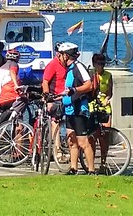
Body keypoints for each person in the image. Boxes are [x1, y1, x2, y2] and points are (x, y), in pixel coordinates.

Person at [59, 41, 95, 175]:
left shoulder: (78, 67)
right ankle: (73, 168)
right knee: (71, 140)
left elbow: (89, 85)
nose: (59, 57)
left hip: (79, 108)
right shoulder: (69, 69)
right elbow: (68, 90)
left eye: (61, 54)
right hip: (70, 109)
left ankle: (91, 169)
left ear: (66, 56)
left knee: (83, 142)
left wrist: (74, 89)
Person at [89, 53, 113, 173]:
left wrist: (107, 99)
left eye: (103, 64)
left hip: (105, 106)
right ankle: (91, 163)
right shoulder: (90, 75)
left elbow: (110, 92)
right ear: (94, 64)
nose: (101, 66)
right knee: (92, 136)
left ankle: (103, 163)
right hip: (93, 105)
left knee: (105, 135)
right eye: (99, 64)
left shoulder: (108, 75)